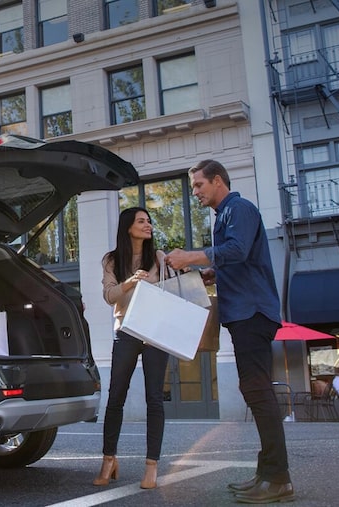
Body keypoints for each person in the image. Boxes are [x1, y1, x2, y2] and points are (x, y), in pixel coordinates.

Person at [166, 159, 294, 504]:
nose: (195, 193)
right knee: (254, 390)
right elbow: (239, 260)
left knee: (258, 390)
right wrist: (213, 274)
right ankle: (266, 474)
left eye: (198, 186)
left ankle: (278, 478)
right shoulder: (225, 216)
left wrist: (192, 258)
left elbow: (237, 250)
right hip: (243, 313)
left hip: (252, 312)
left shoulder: (239, 208)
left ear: (218, 181)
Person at [94, 207, 170, 490]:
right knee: (116, 398)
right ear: (128, 227)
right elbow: (108, 296)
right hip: (125, 330)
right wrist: (130, 282)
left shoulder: (159, 259)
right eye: (141, 221)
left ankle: (151, 466)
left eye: (149, 221)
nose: (148, 225)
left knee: (154, 399)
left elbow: (170, 291)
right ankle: (108, 460)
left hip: (154, 332)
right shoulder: (112, 260)